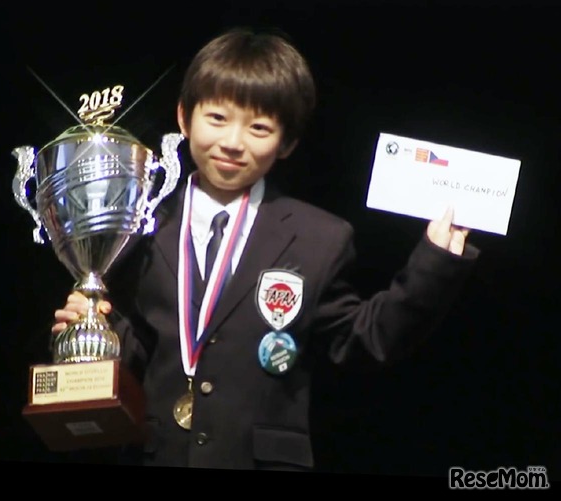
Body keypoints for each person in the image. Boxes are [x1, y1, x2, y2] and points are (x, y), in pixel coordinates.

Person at [51, 27, 479, 471]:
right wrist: (92, 334)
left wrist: (437, 258)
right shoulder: (136, 222)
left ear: (287, 142)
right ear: (184, 118)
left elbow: (364, 340)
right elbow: (141, 346)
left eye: (259, 127)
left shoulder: (319, 237)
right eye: (216, 118)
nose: (233, 142)